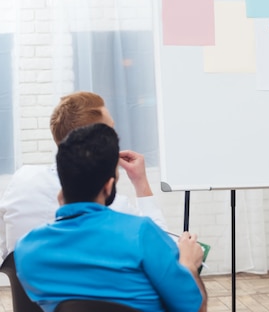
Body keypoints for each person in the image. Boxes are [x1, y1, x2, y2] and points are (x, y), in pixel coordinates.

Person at [14, 123, 269, 312]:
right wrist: (188, 264)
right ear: (109, 186)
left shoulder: (26, 251)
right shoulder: (139, 232)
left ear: (62, 183)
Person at [0, 91, 166, 259]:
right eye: (111, 131)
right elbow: (163, 248)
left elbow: (7, 254)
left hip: (29, 284)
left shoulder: (21, 180)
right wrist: (140, 181)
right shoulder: (110, 205)